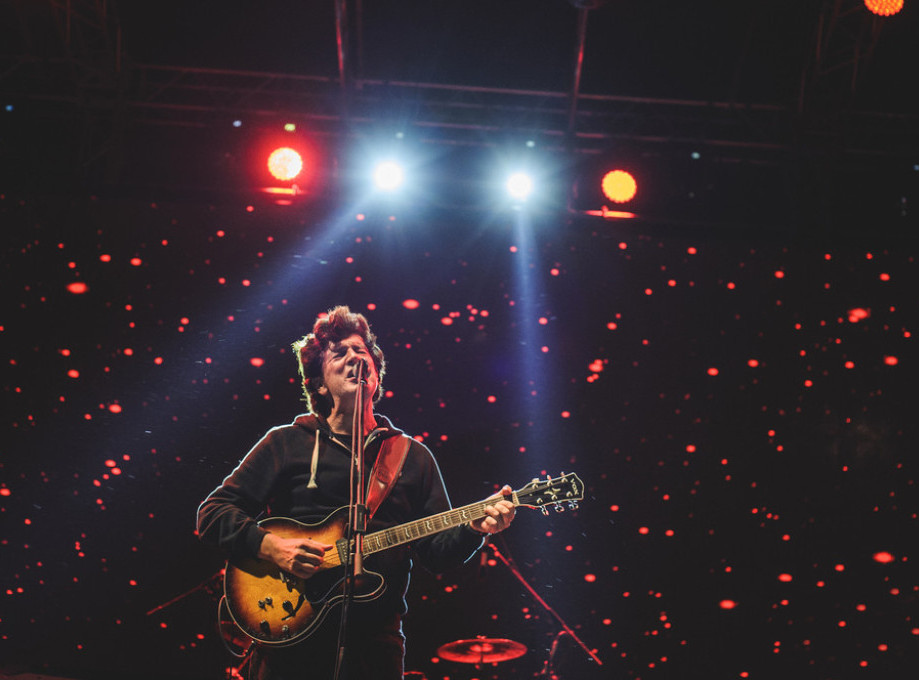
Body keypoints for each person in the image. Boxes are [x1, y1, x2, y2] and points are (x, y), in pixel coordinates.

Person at [197, 305, 516, 680]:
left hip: (375, 647)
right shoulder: (286, 443)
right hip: (288, 639)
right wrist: (272, 548)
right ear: (319, 382)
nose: (355, 358)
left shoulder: (412, 457)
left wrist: (474, 529)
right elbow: (213, 513)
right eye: (340, 353)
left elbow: (437, 554)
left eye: (361, 351)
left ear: (376, 374)